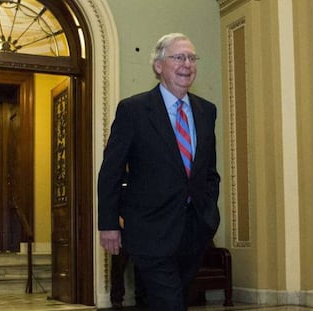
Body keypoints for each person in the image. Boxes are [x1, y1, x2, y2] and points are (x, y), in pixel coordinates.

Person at [98, 32, 220, 311]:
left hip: (193, 231)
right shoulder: (134, 110)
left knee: (176, 300)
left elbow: (209, 172)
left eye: (191, 57)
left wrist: (209, 214)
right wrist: (108, 224)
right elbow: (111, 171)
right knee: (170, 303)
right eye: (178, 57)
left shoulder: (206, 111)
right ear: (158, 66)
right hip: (149, 230)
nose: (187, 64)